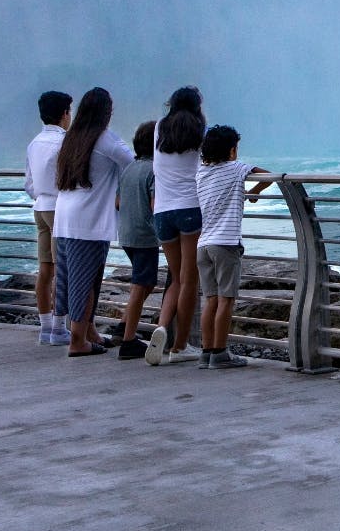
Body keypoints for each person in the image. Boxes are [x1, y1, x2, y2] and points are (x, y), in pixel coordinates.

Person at [53, 87, 135, 357]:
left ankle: (89, 332)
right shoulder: (105, 140)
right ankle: (77, 340)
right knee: (85, 281)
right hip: (88, 223)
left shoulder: (71, 138)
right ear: (106, 113)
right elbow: (133, 164)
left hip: (65, 218)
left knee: (78, 278)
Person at [193, 125, 272, 369]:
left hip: (203, 245)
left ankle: (206, 352)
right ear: (231, 150)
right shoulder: (237, 168)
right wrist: (254, 191)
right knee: (226, 300)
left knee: (210, 300)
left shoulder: (201, 173)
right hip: (226, 244)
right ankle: (220, 353)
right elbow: (268, 175)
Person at [146, 86, 207, 366]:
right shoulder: (198, 129)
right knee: (189, 279)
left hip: (162, 211)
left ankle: (161, 327)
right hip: (189, 209)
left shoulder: (160, 128)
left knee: (175, 277)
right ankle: (181, 346)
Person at [24, 90, 72, 345]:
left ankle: (45, 327)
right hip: (59, 208)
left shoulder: (34, 143)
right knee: (63, 268)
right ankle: (59, 328)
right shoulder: (64, 142)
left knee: (45, 269)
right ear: (65, 114)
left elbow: (28, 183)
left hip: (39, 207)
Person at [114, 120, 159, 360]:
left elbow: (118, 202)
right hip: (145, 236)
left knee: (147, 282)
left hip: (127, 234)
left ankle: (124, 324)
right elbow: (155, 205)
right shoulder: (154, 170)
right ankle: (129, 340)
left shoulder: (129, 168)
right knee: (141, 284)